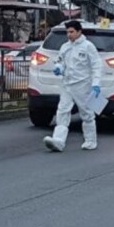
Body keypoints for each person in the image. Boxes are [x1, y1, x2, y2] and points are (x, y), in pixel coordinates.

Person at [43, 20, 103, 152]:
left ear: (79, 32)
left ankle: (90, 140)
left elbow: (96, 66)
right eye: (67, 32)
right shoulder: (65, 47)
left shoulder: (88, 46)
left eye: (71, 32)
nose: (69, 35)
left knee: (86, 113)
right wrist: (58, 68)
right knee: (62, 111)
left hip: (83, 85)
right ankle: (58, 141)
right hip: (67, 84)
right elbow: (60, 61)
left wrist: (96, 84)